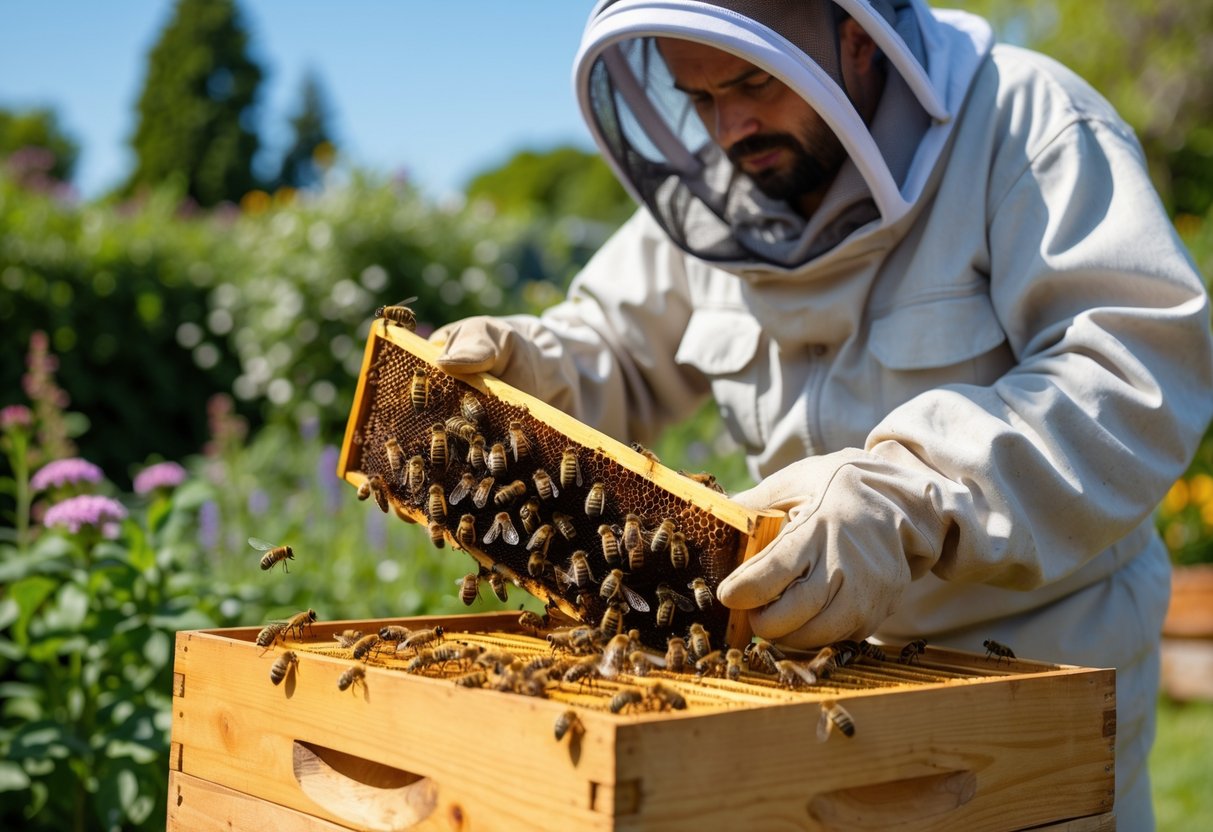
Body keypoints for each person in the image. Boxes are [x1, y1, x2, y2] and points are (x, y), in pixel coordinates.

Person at [431, 2, 1213, 826]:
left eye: (752, 80)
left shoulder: (1026, 125)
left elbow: (1131, 371)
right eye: (697, 99)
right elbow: (616, 347)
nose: (729, 126)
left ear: (856, 38)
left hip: (1032, 681)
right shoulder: (718, 190)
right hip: (808, 688)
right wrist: (540, 367)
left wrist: (911, 491)